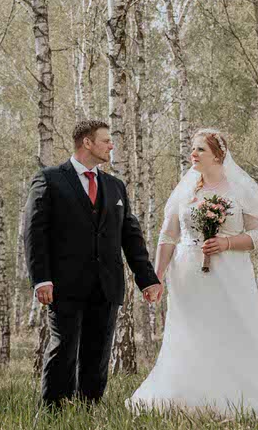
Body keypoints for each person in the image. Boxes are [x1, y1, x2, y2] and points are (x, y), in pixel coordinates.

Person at [128, 128, 258, 417]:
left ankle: (241, 396)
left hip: (229, 272)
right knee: (190, 334)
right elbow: (167, 237)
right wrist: (157, 277)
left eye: (200, 149)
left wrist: (227, 242)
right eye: (192, 148)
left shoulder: (242, 189)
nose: (193, 154)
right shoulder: (186, 190)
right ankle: (188, 397)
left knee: (233, 329)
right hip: (188, 274)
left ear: (218, 155)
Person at [23, 118, 163, 409]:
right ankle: (55, 414)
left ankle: (89, 412)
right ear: (87, 143)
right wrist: (41, 279)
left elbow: (130, 234)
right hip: (64, 285)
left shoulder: (115, 186)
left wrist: (147, 279)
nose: (111, 145)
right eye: (105, 140)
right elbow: (34, 232)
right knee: (63, 350)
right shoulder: (49, 179)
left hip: (106, 285)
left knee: (98, 353)